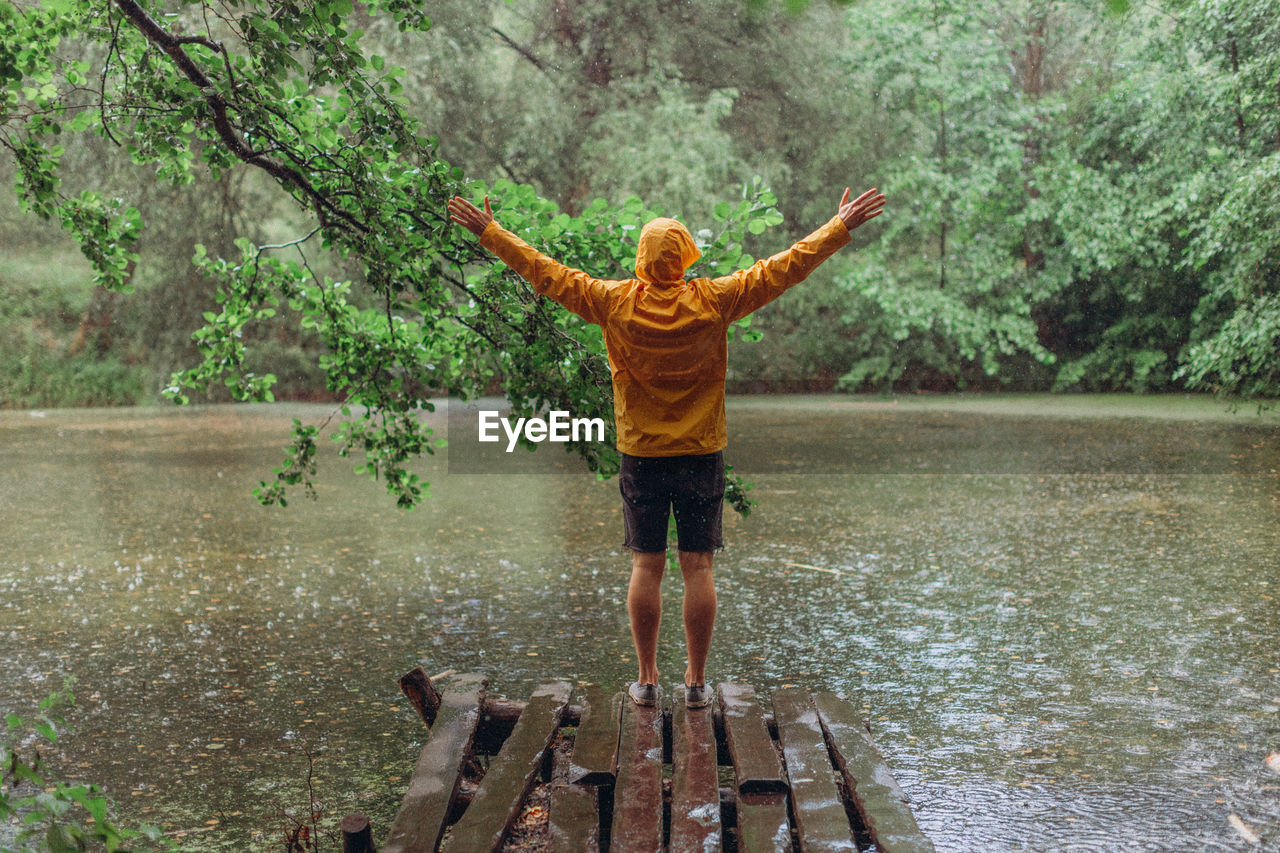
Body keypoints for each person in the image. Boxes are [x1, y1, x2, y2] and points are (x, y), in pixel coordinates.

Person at [448, 186, 886, 708]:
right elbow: (786, 267)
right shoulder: (715, 299)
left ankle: (648, 679)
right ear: (682, 258)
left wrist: (490, 233)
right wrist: (839, 226)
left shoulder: (612, 302)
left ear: (641, 258)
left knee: (645, 566)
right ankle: (697, 683)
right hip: (701, 453)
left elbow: (546, 273)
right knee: (698, 566)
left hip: (643, 455)